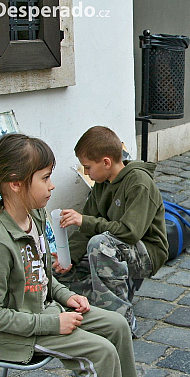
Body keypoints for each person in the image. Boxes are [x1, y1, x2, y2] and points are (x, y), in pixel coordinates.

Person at [0, 134, 140, 377]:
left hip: (44, 311)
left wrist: (65, 295)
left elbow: (43, 275)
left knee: (117, 325)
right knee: (100, 354)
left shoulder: (34, 216)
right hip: (12, 334)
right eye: (45, 178)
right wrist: (53, 323)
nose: (52, 185)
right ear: (16, 183)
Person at [57, 126, 168, 335]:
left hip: (147, 252)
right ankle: (101, 303)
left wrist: (85, 221)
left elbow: (129, 232)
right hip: (113, 246)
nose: (86, 173)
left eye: (87, 167)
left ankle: (121, 321)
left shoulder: (139, 183)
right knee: (56, 272)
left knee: (99, 245)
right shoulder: (102, 182)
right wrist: (66, 258)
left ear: (106, 162)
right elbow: (85, 231)